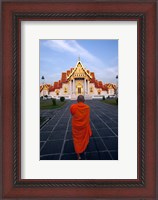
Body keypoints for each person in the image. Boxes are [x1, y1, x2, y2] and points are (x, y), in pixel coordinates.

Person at [70, 95, 92, 160]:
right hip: (84, 126)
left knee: (77, 140)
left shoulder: (73, 107)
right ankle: (83, 147)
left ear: (77, 100)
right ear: (84, 100)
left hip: (76, 127)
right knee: (84, 138)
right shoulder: (87, 107)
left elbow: (72, 113)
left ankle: (78, 155)